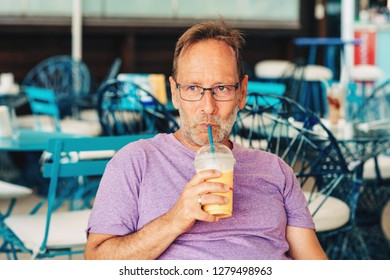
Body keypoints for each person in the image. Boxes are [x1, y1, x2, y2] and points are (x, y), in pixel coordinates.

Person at [85, 19, 328, 260]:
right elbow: (97, 261)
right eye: (193, 88)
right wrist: (176, 218)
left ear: (242, 93)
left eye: (221, 88)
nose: (208, 107)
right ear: (175, 93)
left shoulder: (276, 170)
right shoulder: (135, 162)